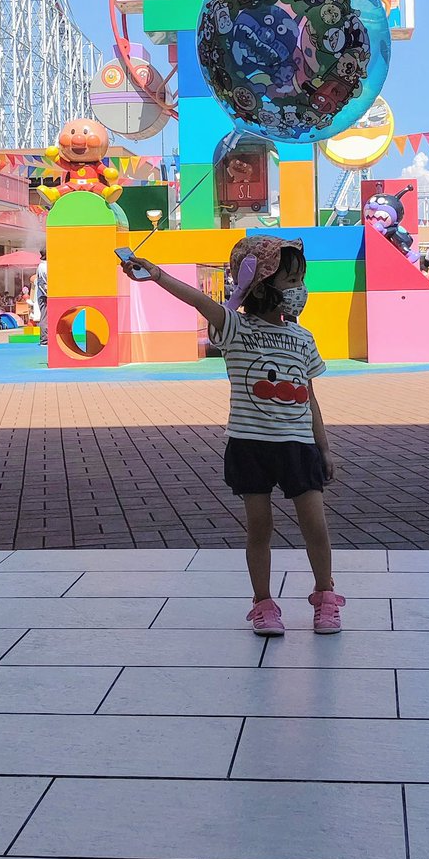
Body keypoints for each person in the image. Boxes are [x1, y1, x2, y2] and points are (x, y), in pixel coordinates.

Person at [121, 236, 345, 635]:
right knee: (259, 527)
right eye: (292, 281)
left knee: (316, 525)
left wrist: (324, 447)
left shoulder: (303, 338)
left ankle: (325, 596)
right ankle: (263, 603)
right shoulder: (234, 327)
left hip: (299, 446)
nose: (299, 291)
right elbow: (195, 299)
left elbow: (309, 398)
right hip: (249, 444)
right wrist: (155, 274)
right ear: (260, 284)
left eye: (301, 280)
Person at [34, 249, 48, 345]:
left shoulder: (42, 266)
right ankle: (45, 339)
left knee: (46, 316)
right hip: (44, 295)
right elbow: (44, 283)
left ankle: (45, 338)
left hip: (43, 294)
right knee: (45, 317)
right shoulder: (44, 267)